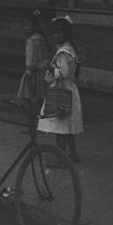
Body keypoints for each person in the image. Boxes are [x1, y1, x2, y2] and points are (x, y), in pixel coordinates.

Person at [35, 16, 84, 165]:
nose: (56, 36)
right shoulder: (70, 49)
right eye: (55, 33)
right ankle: (73, 155)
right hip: (68, 89)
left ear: (67, 34)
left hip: (61, 90)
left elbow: (61, 72)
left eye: (60, 33)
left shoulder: (63, 52)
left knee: (60, 126)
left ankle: (61, 159)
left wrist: (49, 67)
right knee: (66, 126)